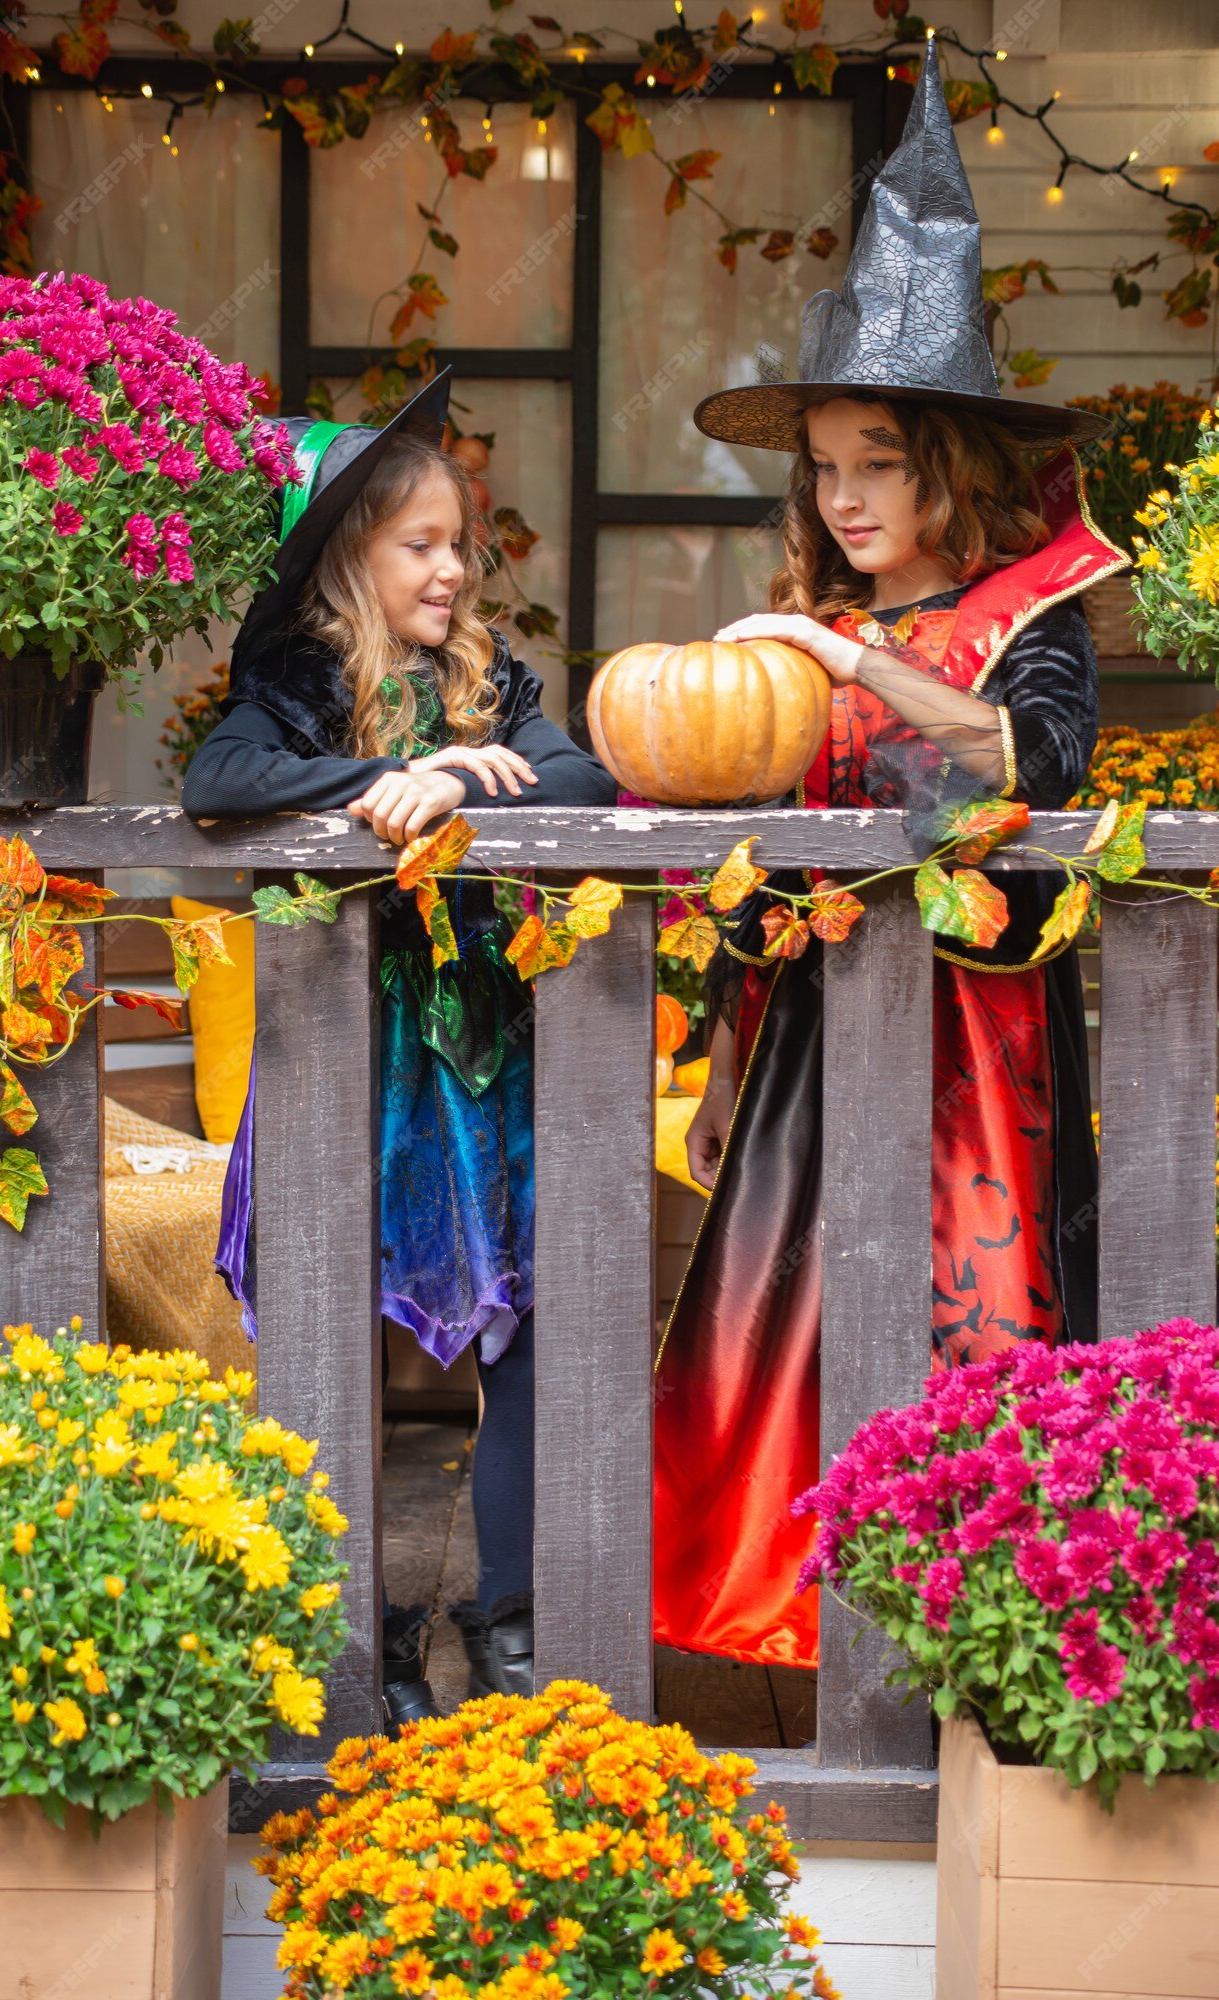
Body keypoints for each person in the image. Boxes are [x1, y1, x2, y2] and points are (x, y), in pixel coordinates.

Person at [653, 39, 1125, 1672]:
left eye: (880, 463)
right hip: (809, 1048)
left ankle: (960, 1634)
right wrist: (719, 1063)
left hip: (977, 1054)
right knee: (779, 1330)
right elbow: (758, 868)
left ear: (954, 467)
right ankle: (810, 1625)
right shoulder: (815, 628)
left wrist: (854, 666)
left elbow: (1030, 755)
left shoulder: (1032, 613)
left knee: (968, 1342)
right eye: (827, 468)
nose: (846, 496)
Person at [182, 373, 617, 1725]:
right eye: (418, 544)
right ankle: (354, 1633)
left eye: (459, 543)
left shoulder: (493, 682)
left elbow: (592, 774)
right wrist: (372, 781)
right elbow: (219, 783)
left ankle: (513, 1623)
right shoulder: (303, 687)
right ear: (347, 561)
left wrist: (468, 771)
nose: (450, 567)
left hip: (483, 1064)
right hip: (351, 1066)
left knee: (524, 1334)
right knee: (334, 1334)